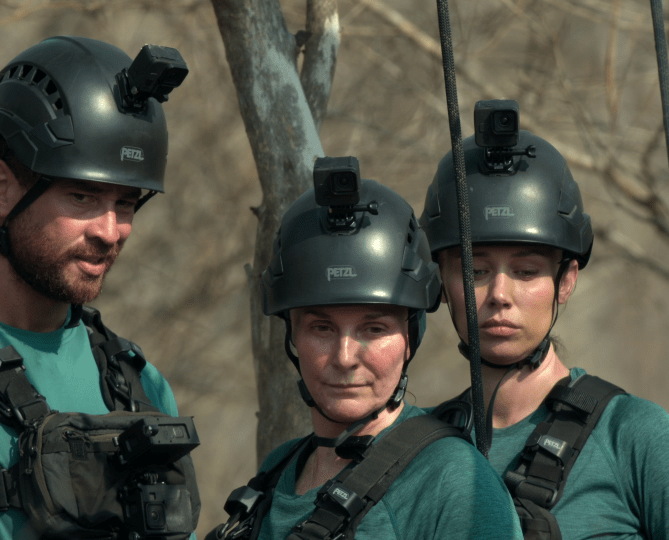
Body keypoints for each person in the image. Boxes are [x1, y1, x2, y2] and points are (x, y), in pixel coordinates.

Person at [0, 36, 198, 540]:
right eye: (83, 195)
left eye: (127, 202)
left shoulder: (139, 385)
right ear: (1, 189)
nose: (110, 231)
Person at [419, 100, 669, 539]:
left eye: (525, 271)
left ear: (566, 281)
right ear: (442, 282)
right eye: (475, 271)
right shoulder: (413, 449)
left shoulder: (632, 435)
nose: (500, 295)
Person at [208, 159, 522, 540]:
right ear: (292, 335)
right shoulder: (279, 470)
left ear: (410, 337)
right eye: (322, 328)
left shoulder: (452, 481)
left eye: (373, 329)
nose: (344, 357)